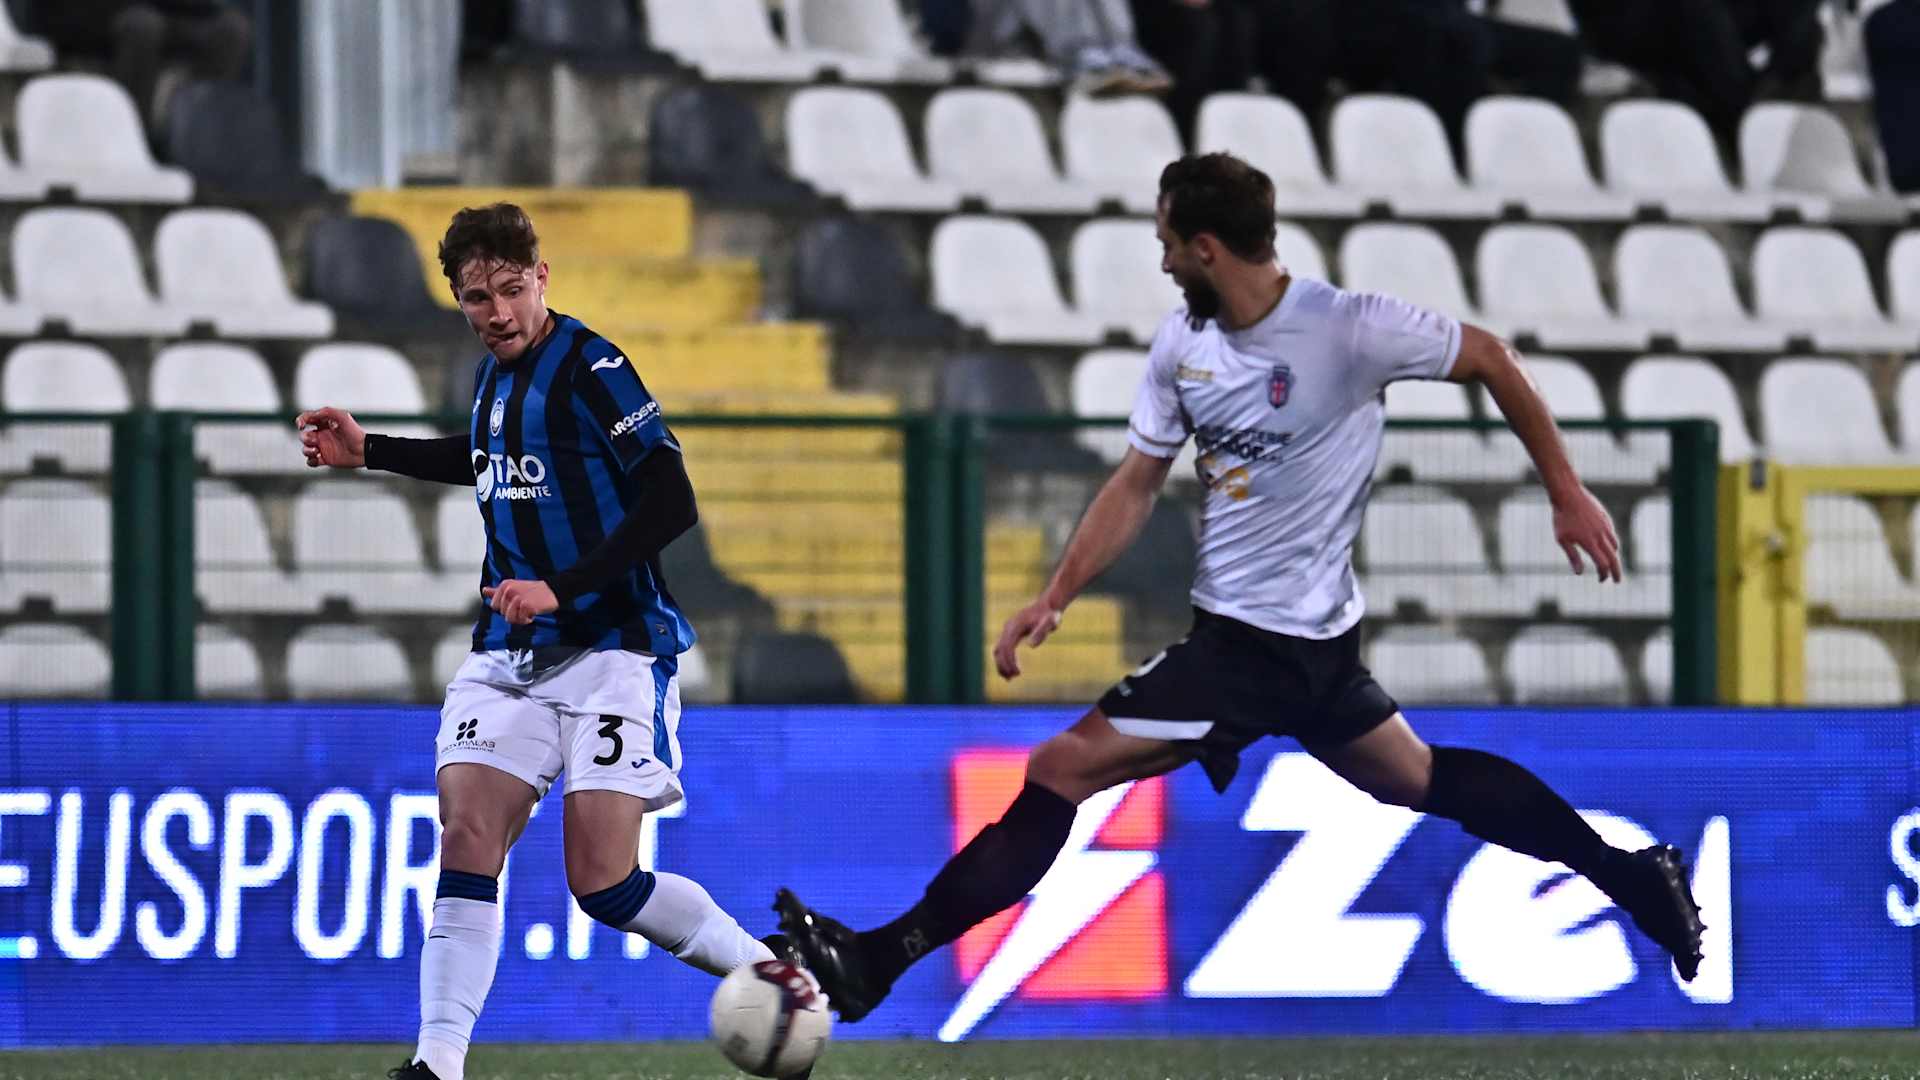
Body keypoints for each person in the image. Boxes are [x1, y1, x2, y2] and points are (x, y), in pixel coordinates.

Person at [774, 153, 1706, 1023]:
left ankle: (877, 961)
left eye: (1169, 243)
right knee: (1414, 777)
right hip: (1310, 648)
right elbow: (1138, 481)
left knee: (1060, 769)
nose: (1164, 260)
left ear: (1207, 248)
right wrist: (1057, 594)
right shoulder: (1185, 344)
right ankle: (1630, 876)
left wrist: (1566, 491)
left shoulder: (1347, 328)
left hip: (1249, 651)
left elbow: (1492, 356)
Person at [296, 204, 801, 1080]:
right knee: (467, 833)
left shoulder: (593, 366)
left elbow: (672, 498)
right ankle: (437, 1064)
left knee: (604, 884)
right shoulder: (497, 376)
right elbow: (483, 454)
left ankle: (772, 976)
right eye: (475, 298)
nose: (496, 313)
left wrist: (562, 587)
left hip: (613, 650)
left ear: (542, 278)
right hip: (509, 655)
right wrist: (370, 449)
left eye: (510, 290)